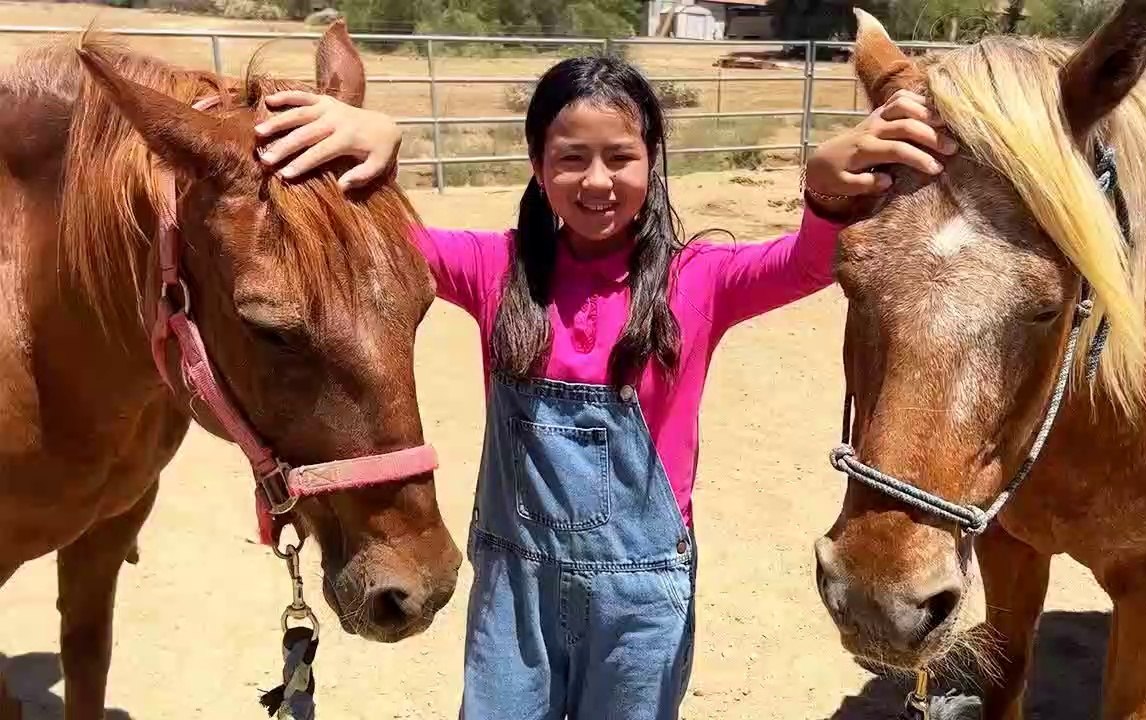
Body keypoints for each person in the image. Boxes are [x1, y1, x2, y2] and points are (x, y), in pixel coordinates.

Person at [251, 54, 955, 719]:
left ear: (653, 160)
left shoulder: (700, 279)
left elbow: (809, 261)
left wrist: (826, 192)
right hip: (513, 591)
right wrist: (379, 145)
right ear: (536, 166)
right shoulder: (492, 269)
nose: (596, 182)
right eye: (570, 158)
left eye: (621, 156)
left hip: (640, 597)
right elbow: (367, 250)